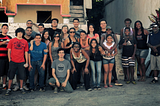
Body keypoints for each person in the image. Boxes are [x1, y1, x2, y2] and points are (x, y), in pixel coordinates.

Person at [5, 28, 28, 96]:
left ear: (23, 34)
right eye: (19, 32)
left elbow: (26, 52)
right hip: (13, 61)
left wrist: (26, 62)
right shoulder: (12, 41)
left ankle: (21, 88)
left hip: (21, 61)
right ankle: (9, 89)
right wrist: (10, 60)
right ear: (16, 33)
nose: (20, 34)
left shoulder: (25, 41)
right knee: (11, 76)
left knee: (22, 76)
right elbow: (9, 51)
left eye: (21, 32)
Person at [0, 24, 12, 90]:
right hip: (0, 57)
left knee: (5, 72)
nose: (5, 29)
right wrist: (3, 42)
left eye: (6, 28)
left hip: (7, 57)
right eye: (4, 28)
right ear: (1, 29)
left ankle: (4, 85)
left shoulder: (9, 37)